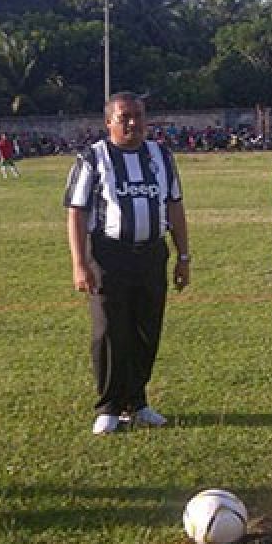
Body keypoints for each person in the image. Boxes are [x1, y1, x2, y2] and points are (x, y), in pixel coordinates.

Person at [64, 92, 190, 435]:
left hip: (151, 254)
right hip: (109, 256)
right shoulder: (93, 158)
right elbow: (76, 212)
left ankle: (138, 402)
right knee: (109, 331)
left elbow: (175, 206)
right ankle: (108, 406)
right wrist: (79, 263)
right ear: (109, 123)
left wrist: (183, 256)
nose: (133, 123)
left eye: (138, 116)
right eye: (125, 117)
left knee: (147, 330)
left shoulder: (161, 155)